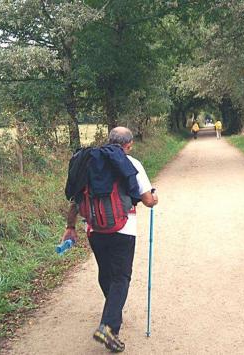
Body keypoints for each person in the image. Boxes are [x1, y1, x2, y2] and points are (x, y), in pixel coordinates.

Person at [62, 127, 158, 352]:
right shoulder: (131, 163)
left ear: (109, 141)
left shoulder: (88, 161)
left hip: (94, 229)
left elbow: (76, 199)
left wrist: (70, 227)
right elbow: (147, 200)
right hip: (123, 229)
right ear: (129, 144)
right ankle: (109, 326)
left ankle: (111, 310)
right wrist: (155, 197)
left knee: (106, 273)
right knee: (121, 277)